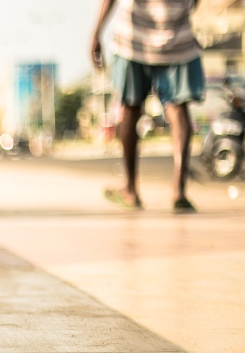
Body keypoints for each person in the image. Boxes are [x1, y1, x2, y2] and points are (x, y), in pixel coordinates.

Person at [92, 0, 204, 214]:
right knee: (178, 110)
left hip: (133, 40)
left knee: (130, 111)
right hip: (176, 36)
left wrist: (96, 32)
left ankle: (131, 190)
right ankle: (178, 191)